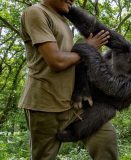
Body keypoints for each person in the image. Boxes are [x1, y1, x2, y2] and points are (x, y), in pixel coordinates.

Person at [18, 0, 118, 159]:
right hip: (45, 105)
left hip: (74, 104)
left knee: (106, 139)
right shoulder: (36, 12)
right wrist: (88, 48)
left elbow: (71, 60)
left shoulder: (62, 19)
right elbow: (56, 61)